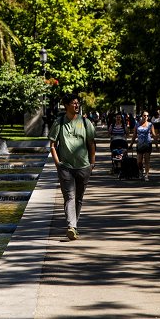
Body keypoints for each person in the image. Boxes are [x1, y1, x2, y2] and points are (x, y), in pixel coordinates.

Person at [49, 94, 96, 241]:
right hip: (66, 167)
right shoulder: (59, 122)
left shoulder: (85, 122)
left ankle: (74, 226)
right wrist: (58, 164)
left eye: (78, 103)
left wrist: (92, 163)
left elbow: (91, 143)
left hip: (83, 166)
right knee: (69, 196)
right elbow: (52, 145)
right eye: (74, 103)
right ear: (66, 105)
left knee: (79, 198)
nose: (77, 105)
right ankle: (71, 226)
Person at [129, 111, 157, 181]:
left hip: (148, 144)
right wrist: (131, 145)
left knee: (147, 160)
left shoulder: (150, 125)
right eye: (144, 115)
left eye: (147, 116)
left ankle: (146, 175)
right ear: (142, 116)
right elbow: (134, 135)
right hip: (140, 144)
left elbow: (153, 135)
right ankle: (141, 171)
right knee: (139, 161)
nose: (146, 117)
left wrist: (156, 145)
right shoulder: (137, 125)